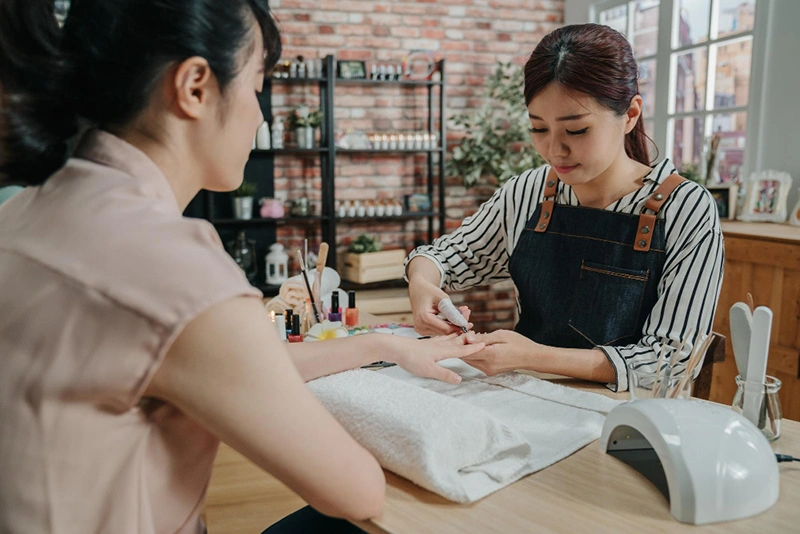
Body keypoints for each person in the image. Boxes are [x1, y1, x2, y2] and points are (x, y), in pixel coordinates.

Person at [0, 1, 483, 532]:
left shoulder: (21, 211)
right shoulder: (172, 264)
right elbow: (355, 490)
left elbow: (223, 360)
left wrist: (382, 344)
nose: (261, 115)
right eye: (256, 86)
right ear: (195, 87)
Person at [406, 23, 724, 392]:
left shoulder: (686, 209)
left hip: (631, 420)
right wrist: (421, 281)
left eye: (576, 131)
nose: (554, 151)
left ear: (631, 115)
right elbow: (446, 257)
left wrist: (534, 356)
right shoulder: (529, 191)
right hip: (530, 399)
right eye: (539, 129)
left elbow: (671, 360)